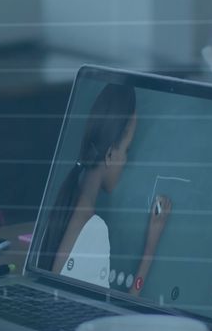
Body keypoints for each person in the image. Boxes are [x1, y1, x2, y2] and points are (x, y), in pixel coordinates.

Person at [39, 84, 171, 297]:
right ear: (110, 155)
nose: (126, 161)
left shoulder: (65, 203)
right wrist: (150, 249)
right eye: (126, 150)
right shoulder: (94, 230)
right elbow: (112, 322)